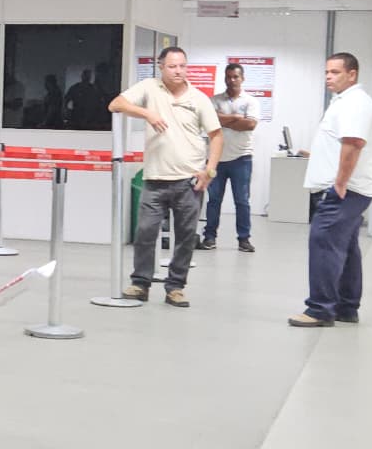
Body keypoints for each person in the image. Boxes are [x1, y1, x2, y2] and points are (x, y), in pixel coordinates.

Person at [109, 47, 223, 308]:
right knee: (145, 233)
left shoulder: (198, 98)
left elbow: (216, 136)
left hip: (189, 181)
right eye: (172, 66)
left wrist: (210, 170)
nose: (178, 71)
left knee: (185, 237)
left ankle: (175, 287)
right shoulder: (150, 88)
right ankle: (140, 283)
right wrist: (147, 113)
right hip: (155, 179)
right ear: (161, 67)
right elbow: (115, 104)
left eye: (182, 66)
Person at [289, 53, 372, 327]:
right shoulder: (345, 102)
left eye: (335, 72)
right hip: (350, 189)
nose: (329, 77)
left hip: (345, 190)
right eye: (327, 72)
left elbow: (353, 144)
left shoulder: (355, 103)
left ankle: (320, 310)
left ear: (352, 74)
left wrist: (340, 183)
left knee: (324, 244)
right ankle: (346, 307)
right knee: (347, 248)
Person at [198, 63, 260, 252]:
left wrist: (223, 119)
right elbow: (210, 122)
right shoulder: (214, 100)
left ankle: (244, 239)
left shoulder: (251, 101)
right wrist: (236, 117)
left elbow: (250, 125)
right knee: (214, 200)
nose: (232, 80)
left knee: (242, 201)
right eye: (229, 77)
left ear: (242, 78)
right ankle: (210, 237)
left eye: (235, 77)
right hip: (216, 159)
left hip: (242, 158)